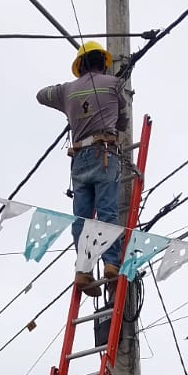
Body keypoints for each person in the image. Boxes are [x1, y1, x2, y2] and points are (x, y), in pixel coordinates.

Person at [36, 41, 130, 296]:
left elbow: (41, 95)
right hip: (104, 155)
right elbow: (123, 121)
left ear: (79, 66)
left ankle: (83, 271)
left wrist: (67, 96)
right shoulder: (114, 84)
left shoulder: (67, 91)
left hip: (79, 160)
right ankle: (111, 263)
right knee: (107, 212)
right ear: (103, 63)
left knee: (82, 218)